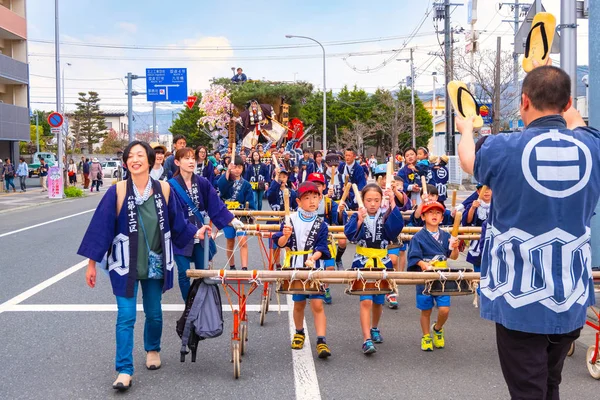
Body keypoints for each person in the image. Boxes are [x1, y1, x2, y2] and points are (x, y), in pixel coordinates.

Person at [457, 64, 600, 400]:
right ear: (567, 104)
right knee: (550, 383)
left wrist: (465, 128)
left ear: (523, 101)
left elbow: (467, 160)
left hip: (519, 297)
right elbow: (577, 119)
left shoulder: (502, 147)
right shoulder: (591, 146)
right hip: (570, 294)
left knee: (527, 391)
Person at [78, 141, 207, 391]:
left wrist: (197, 233)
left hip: (155, 264)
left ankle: (152, 349)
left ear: (150, 161)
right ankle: (124, 369)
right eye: (130, 156)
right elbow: (100, 228)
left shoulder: (164, 189)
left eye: (140, 155)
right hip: (125, 264)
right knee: (125, 317)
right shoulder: (116, 191)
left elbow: (178, 223)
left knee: (154, 313)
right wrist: (91, 263)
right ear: (126, 163)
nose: (134, 159)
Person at [169, 147, 237, 301]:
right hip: (180, 234)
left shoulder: (202, 182)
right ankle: (189, 305)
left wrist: (231, 220)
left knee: (202, 271)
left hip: (200, 232)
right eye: (186, 158)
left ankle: (200, 303)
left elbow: (215, 203)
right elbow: (171, 214)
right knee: (183, 272)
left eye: (193, 158)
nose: (191, 161)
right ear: (177, 162)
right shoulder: (170, 185)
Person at [273, 181, 332, 359]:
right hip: (296, 265)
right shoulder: (290, 219)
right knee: (299, 303)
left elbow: (322, 247)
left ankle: (321, 340)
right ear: (298, 201)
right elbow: (280, 244)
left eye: (315, 197)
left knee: (317, 303)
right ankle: (299, 332)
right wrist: (285, 235)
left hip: (314, 268)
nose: (312, 201)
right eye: (307, 198)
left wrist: (313, 258)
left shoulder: (321, 223)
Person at [344, 183, 404, 354]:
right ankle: (366, 339)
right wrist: (359, 220)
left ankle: (374, 327)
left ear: (381, 201)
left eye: (376, 200)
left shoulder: (385, 216)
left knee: (378, 301)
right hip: (363, 262)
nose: (372, 204)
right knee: (366, 300)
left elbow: (395, 229)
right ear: (362, 200)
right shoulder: (358, 215)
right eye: (368, 200)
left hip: (382, 261)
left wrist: (392, 201)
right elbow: (349, 235)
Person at [407, 200, 460, 352]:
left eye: (438, 213)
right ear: (423, 216)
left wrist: (455, 248)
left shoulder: (446, 236)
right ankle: (426, 336)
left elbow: (453, 256)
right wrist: (424, 265)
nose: (434, 215)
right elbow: (414, 257)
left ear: (442, 218)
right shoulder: (418, 237)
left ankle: (437, 328)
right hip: (425, 277)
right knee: (426, 309)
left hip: (443, 278)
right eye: (430, 212)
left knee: (444, 309)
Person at [218, 155, 256, 270]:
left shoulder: (246, 185)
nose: (237, 170)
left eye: (240, 167)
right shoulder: (226, 181)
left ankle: (244, 267)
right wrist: (228, 172)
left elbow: (250, 201)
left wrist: (250, 213)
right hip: (228, 216)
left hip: (241, 216)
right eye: (235, 167)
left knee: (242, 241)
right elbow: (221, 187)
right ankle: (232, 265)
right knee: (230, 242)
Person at [266, 166, 298, 269]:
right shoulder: (273, 191)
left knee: (288, 244)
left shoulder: (292, 192)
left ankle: (287, 264)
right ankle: (275, 264)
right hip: (274, 220)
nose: (282, 179)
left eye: (284, 176)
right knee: (274, 246)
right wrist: (276, 177)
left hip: (287, 221)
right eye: (280, 176)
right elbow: (269, 194)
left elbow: (296, 206)